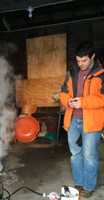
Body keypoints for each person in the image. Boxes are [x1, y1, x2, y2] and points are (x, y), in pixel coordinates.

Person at [60, 41, 104, 198]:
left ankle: (89, 186)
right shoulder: (72, 71)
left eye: (84, 60)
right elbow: (62, 92)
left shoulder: (101, 74)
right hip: (73, 120)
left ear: (92, 57)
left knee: (90, 155)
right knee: (75, 154)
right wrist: (68, 100)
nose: (80, 64)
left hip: (91, 122)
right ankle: (78, 183)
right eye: (78, 60)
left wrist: (83, 102)